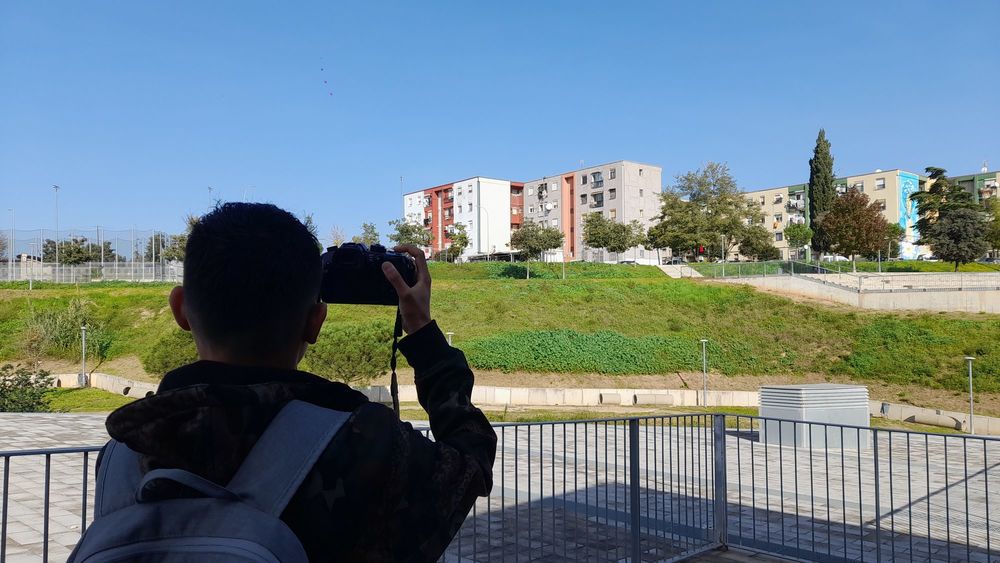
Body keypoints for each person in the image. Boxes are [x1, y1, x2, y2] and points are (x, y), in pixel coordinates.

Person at [101, 203, 497, 561]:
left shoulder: (122, 455)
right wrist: (423, 333)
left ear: (180, 310)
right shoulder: (365, 448)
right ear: (315, 322)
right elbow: (471, 463)